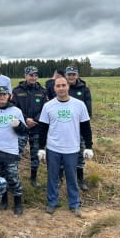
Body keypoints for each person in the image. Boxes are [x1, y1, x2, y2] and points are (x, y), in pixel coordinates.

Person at [38, 77, 93, 217]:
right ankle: (52, 202)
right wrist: (41, 148)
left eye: (63, 85)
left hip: (72, 148)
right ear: (54, 88)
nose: (61, 88)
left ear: (68, 86)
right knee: (52, 177)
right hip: (53, 148)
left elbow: (86, 127)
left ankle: (74, 204)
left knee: (72, 177)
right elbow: (43, 128)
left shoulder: (79, 105)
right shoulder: (48, 106)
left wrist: (89, 146)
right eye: (58, 86)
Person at [0, 86, 27, 215]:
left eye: (4, 94)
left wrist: (18, 125)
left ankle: (18, 201)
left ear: (9, 96)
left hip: (10, 151)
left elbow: (24, 132)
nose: (2, 97)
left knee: (13, 177)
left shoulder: (16, 111)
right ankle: (3, 200)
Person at [12, 66, 47, 188]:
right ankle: (13, 178)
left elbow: (45, 109)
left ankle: (33, 177)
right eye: (30, 75)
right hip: (21, 127)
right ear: (25, 76)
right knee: (16, 154)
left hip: (36, 127)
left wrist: (35, 120)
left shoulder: (43, 91)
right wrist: (26, 119)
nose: (33, 77)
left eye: (35, 75)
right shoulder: (16, 91)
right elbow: (14, 108)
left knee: (36, 154)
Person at [63, 65, 92, 191]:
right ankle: (59, 178)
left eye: (73, 74)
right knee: (61, 152)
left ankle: (80, 179)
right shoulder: (62, 88)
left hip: (78, 127)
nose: (71, 77)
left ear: (77, 75)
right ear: (66, 76)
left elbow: (88, 110)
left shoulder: (84, 89)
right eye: (69, 74)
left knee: (79, 153)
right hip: (63, 127)